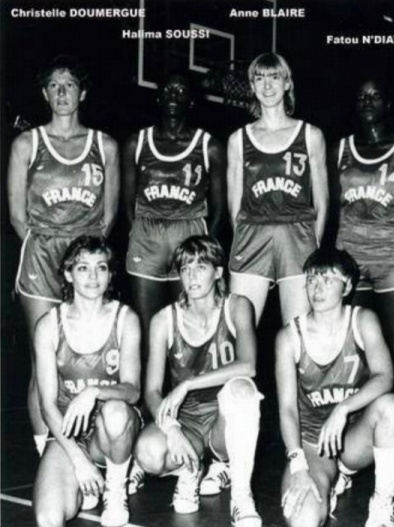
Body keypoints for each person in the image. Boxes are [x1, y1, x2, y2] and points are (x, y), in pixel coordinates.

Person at [8, 55, 119, 458]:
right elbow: (17, 216)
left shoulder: (104, 145)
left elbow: (109, 217)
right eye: (54, 85)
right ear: (44, 93)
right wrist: (48, 247)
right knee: (44, 359)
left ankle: (98, 444)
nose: (61, 92)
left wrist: (82, 261)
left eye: (69, 84)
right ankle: (49, 453)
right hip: (41, 254)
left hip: (84, 259)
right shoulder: (27, 143)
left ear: (82, 93)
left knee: (88, 355)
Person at [275, 248, 394, 527]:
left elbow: (385, 376)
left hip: (353, 439)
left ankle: (381, 502)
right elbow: (287, 409)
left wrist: (343, 408)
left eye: (327, 280)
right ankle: (330, 479)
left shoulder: (363, 320)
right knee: (304, 525)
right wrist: (298, 465)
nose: (317, 288)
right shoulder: (289, 337)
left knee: (392, 408)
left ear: (347, 287)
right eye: (312, 280)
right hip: (314, 444)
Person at [134, 236, 263, 527]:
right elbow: (151, 391)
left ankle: (241, 497)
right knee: (149, 452)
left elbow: (248, 365)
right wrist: (171, 428)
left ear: (218, 272)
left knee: (242, 389)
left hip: (224, 422)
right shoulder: (164, 320)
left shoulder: (237, 306)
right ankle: (190, 470)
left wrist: (188, 384)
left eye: (200, 267)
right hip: (188, 423)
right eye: (185, 268)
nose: (191, 276)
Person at [33, 236, 141, 527]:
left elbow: (133, 390)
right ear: (68, 274)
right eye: (83, 268)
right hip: (70, 433)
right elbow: (47, 405)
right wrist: (79, 461)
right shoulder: (48, 325)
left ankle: (115, 489)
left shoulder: (125, 318)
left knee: (116, 411)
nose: (93, 276)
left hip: (112, 426)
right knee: (49, 523)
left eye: (101, 267)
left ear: (110, 273)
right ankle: (86, 483)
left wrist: (94, 392)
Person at [122, 73, 226, 359]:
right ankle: (151, 388)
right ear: (158, 97)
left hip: (190, 233)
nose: (173, 96)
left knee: (189, 329)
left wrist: (204, 246)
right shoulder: (136, 143)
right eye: (167, 90)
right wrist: (138, 234)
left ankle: (191, 386)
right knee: (150, 334)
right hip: (147, 237)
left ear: (191, 101)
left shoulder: (210, 146)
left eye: (180, 91)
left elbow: (220, 208)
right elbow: (126, 202)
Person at [228, 53, 328, 325]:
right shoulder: (238, 139)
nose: (267, 85)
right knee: (239, 330)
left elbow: (322, 202)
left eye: (274, 77)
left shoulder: (311, 135)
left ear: (287, 83)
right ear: (252, 86)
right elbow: (234, 207)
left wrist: (314, 245)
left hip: (297, 235)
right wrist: (244, 242)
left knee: (298, 330)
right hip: (252, 234)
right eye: (259, 78)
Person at [333, 78, 394, 354]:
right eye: (362, 97)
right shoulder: (340, 150)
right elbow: (332, 210)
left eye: (375, 96)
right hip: (350, 254)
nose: (367, 101)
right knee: (353, 345)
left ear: (387, 104)